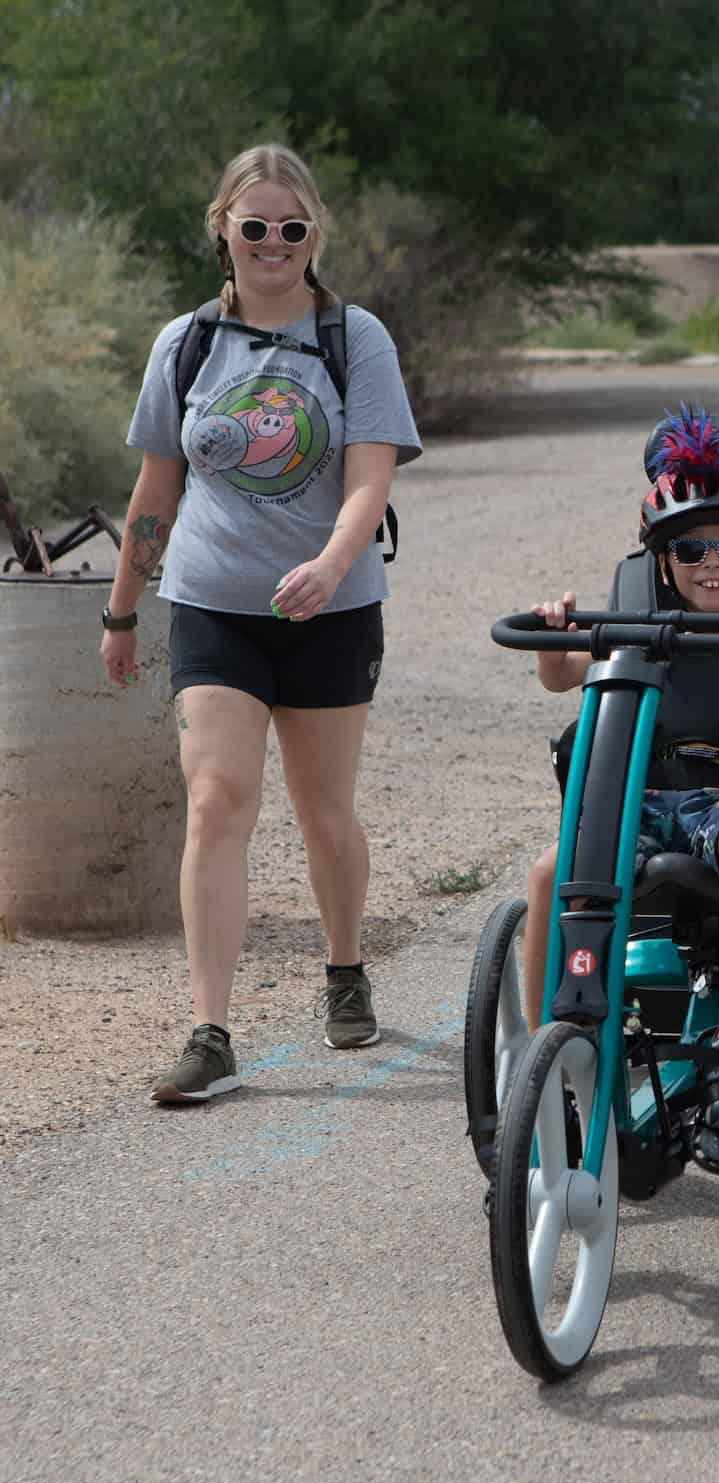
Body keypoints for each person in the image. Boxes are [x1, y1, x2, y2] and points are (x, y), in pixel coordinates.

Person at [100, 143, 422, 1105]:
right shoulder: (186, 343)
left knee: (325, 814)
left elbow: (371, 474)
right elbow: (156, 485)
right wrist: (122, 609)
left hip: (332, 608)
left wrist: (331, 562)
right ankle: (210, 1032)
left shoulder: (353, 337)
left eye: (293, 228)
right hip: (211, 607)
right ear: (223, 232)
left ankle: (345, 968)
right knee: (216, 801)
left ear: (314, 235)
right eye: (256, 227)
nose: (274, 243)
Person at [522, 406, 719, 1146]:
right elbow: (563, 677)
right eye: (691, 550)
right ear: (663, 562)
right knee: (543, 874)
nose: (713, 564)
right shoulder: (633, 616)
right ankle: (540, 1059)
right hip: (639, 798)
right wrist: (555, 636)